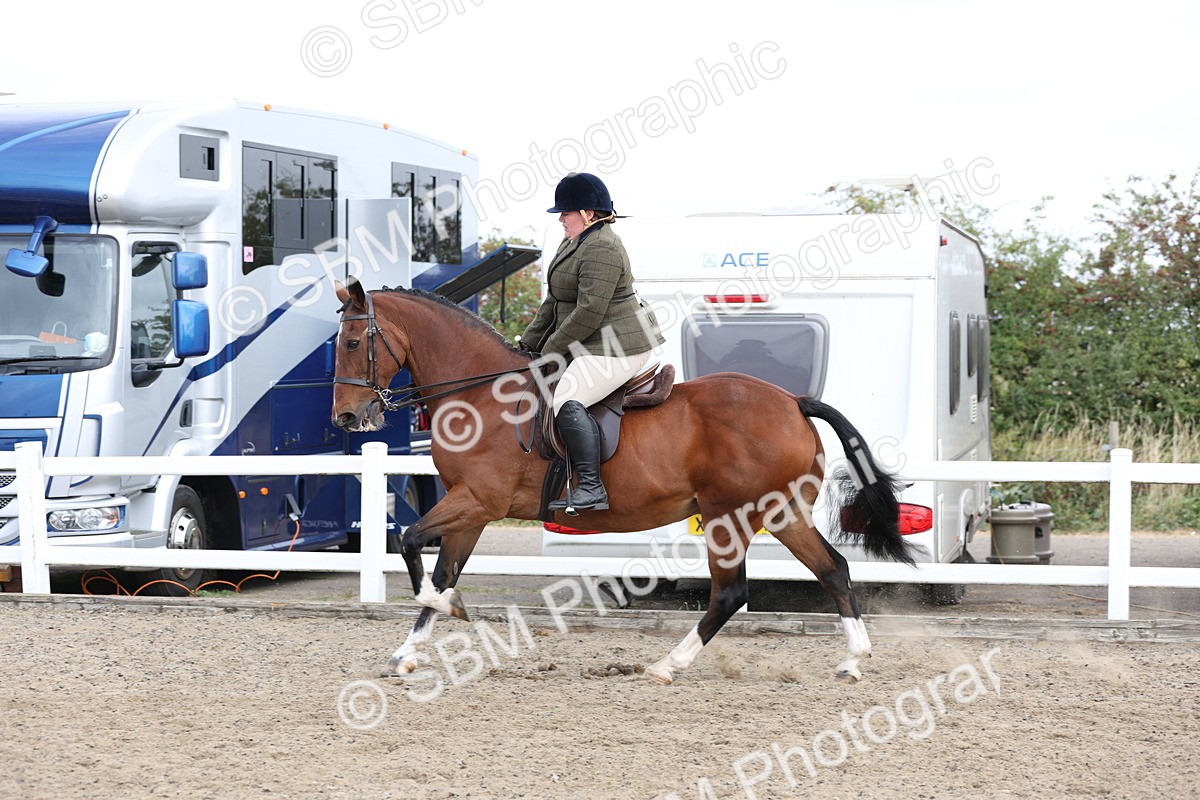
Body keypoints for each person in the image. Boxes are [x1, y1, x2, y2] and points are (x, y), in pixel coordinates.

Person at [519, 173, 665, 512]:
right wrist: (527, 344)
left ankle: (591, 487)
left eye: (565, 213)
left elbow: (588, 312)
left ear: (587, 213)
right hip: (593, 338)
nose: (560, 219)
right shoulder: (574, 240)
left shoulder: (604, 246)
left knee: (567, 397)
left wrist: (551, 352)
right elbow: (555, 300)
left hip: (619, 344)